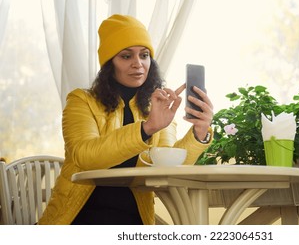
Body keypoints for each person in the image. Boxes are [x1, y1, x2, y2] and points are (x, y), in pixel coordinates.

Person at [38, 14, 213, 225]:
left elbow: (167, 169)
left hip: (133, 221)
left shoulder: (158, 108)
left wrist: (199, 133)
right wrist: (147, 128)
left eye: (144, 55)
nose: (138, 64)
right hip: (80, 218)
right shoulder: (81, 100)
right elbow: (85, 157)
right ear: (109, 63)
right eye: (126, 56)